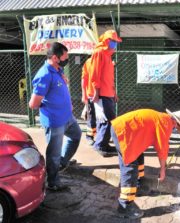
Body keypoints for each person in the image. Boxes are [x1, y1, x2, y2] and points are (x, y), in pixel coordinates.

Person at [110, 108, 180, 219]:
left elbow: (158, 142)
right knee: (130, 169)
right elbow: (162, 148)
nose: (174, 129)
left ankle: (138, 186)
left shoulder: (162, 118)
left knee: (138, 155)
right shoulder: (166, 123)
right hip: (123, 132)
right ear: (176, 123)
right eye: (176, 127)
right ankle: (124, 206)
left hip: (123, 129)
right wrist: (162, 170)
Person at [29, 42, 82, 191]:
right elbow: (33, 104)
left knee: (76, 135)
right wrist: (53, 107)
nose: (67, 59)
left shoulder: (57, 69)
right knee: (53, 153)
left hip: (67, 117)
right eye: (65, 57)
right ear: (54, 57)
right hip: (54, 121)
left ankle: (62, 163)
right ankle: (53, 182)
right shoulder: (44, 74)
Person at [89, 29, 122, 157]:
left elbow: (109, 77)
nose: (115, 44)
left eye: (116, 41)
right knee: (107, 121)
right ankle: (100, 145)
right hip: (101, 94)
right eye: (113, 41)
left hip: (108, 93)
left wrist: (114, 93)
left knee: (107, 120)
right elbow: (95, 74)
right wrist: (96, 92)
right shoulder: (99, 53)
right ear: (107, 41)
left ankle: (103, 144)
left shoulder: (108, 55)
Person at [81, 57, 97, 146]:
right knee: (91, 116)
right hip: (91, 94)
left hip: (104, 95)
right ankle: (89, 136)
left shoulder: (107, 60)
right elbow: (84, 79)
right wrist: (84, 95)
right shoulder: (89, 62)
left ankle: (100, 136)